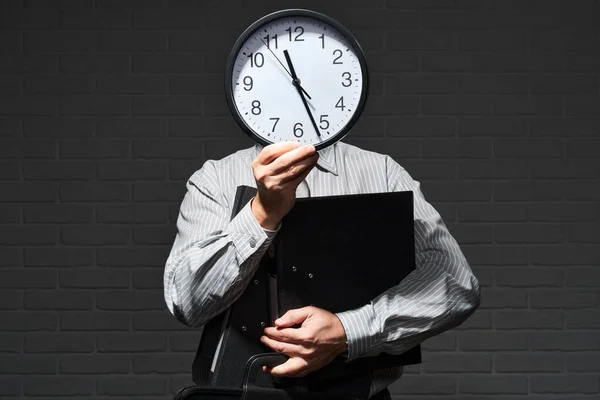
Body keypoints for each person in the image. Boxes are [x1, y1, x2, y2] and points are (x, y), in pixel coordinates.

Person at [164, 140, 481, 400]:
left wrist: (349, 331)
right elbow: (188, 303)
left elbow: (455, 282)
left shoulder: (381, 171)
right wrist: (262, 212)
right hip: (242, 395)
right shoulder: (215, 178)